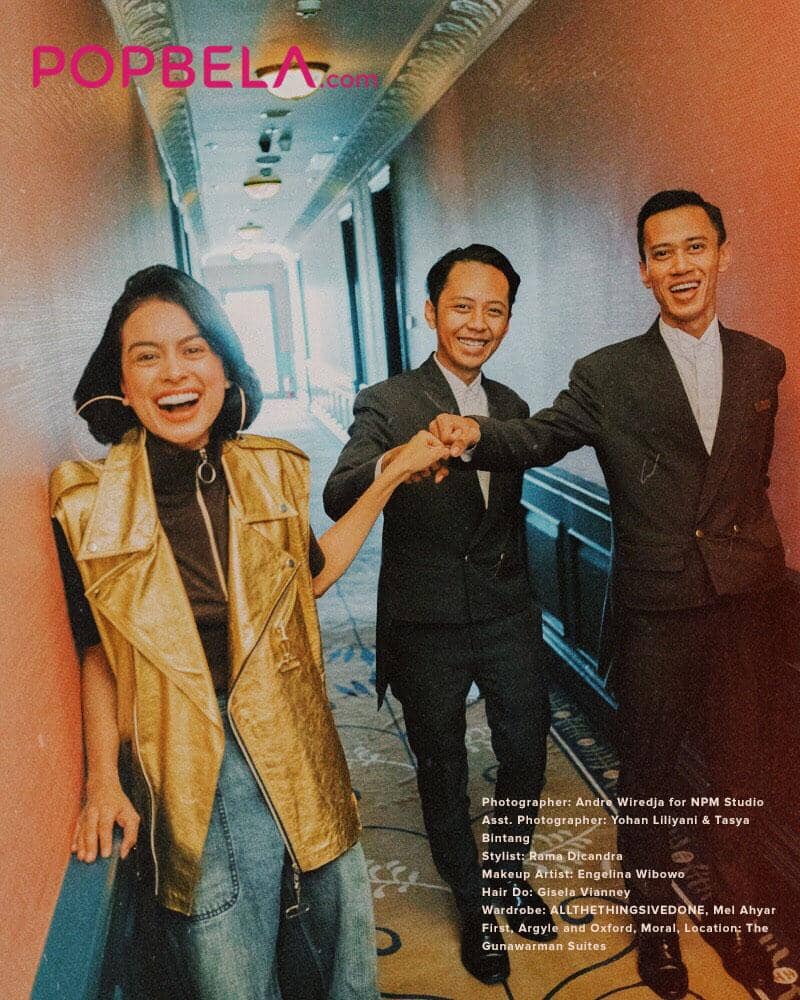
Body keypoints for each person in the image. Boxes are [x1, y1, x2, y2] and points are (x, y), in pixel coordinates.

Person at [51, 264, 448, 1000]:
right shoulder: (87, 505)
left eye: (194, 349)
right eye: (147, 356)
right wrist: (103, 778)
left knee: (335, 930)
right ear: (122, 383)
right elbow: (98, 650)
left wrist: (391, 475)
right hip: (191, 764)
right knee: (228, 960)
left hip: (294, 738)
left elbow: (312, 572)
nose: (175, 372)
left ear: (227, 367)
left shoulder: (270, 472)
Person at [429, 191, 786, 999]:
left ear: (722, 255)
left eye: (695, 248)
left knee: (741, 771)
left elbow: (747, 480)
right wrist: (474, 434)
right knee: (650, 779)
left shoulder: (764, 362)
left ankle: (734, 921)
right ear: (643, 271)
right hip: (657, 607)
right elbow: (539, 436)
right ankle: (656, 935)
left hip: (747, 605)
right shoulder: (608, 373)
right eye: (662, 253)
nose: (681, 266)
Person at [323, 246, 557, 987]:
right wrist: (396, 463)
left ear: (508, 320)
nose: (477, 323)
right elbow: (338, 491)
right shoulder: (387, 401)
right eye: (462, 306)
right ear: (430, 312)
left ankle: (507, 874)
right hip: (425, 620)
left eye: (494, 310)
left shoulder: (511, 406)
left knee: (526, 750)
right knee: (443, 763)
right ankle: (474, 902)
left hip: (506, 611)